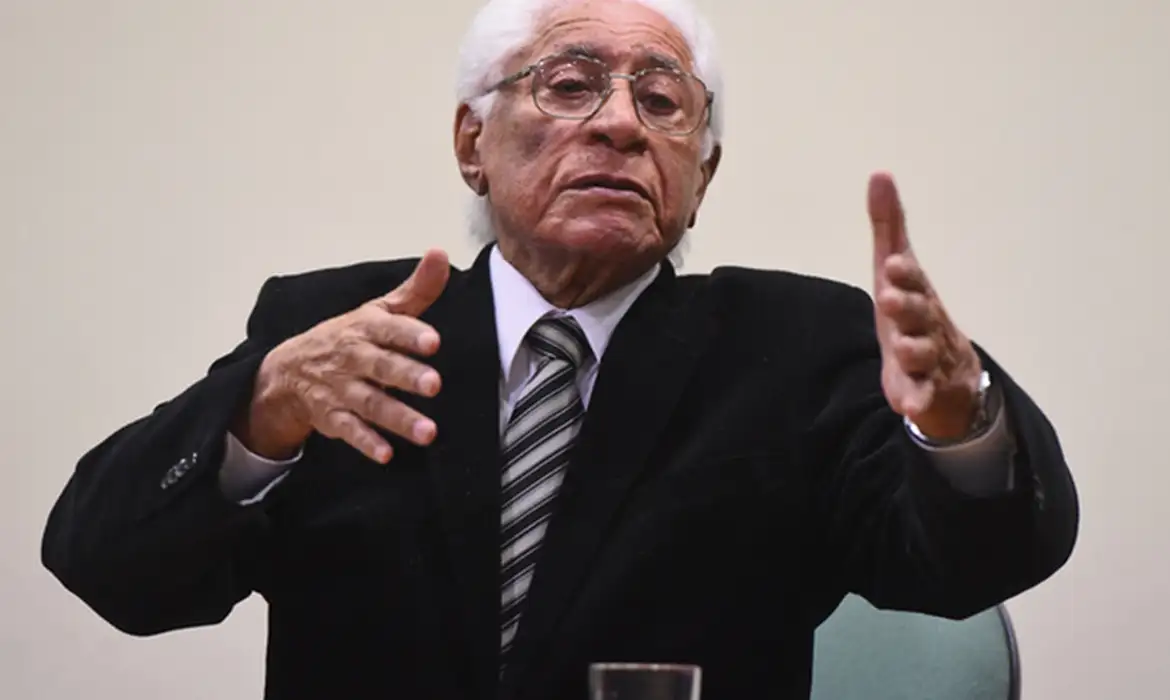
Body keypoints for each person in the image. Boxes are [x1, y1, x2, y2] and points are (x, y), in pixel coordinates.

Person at [40, 0, 1079, 698]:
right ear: (471, 143)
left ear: (702, 177)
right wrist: (261, 412)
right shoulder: (337, 336)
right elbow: (110, 569)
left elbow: (966, 566)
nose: (621, 125)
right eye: (571, 84)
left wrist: (961, 420)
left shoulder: (795, 349)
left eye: (661, 100)